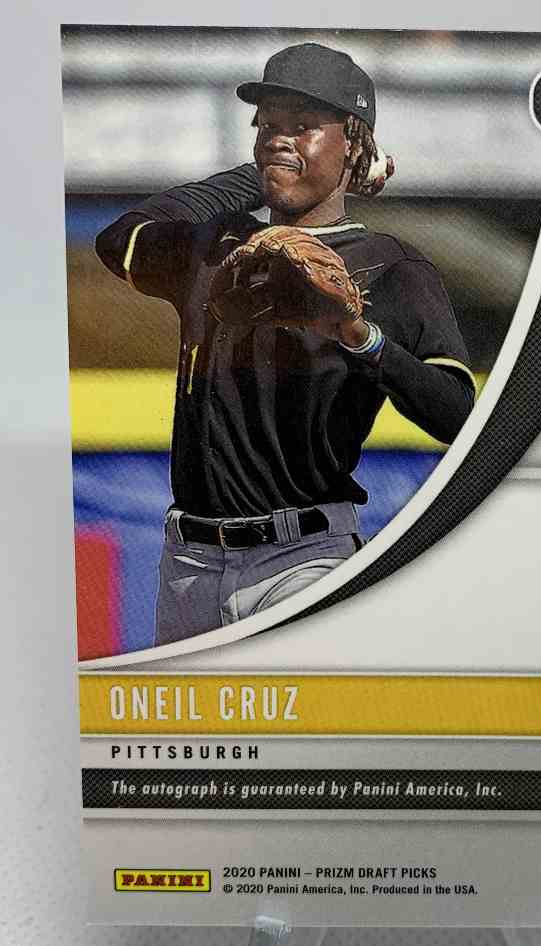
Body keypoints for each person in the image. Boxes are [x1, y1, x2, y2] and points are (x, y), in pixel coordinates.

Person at [95, 42, 476, 646]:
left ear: (353, 140)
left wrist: (358, 336)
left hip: (303, 559)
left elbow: (459, 416)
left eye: (303, 125)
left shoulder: (391, 267)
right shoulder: (215, 247)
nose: (278, 137)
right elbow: (120, 238)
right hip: (187, 566)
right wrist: (265, 176)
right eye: (267, 126)